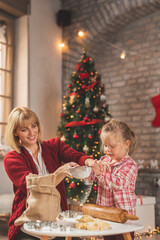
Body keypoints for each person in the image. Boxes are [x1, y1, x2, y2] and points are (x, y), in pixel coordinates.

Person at [4, 107, 94, 240]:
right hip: (29, 221)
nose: (31, 132)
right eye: (24, 129)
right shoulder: (12, 158)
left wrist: (89, 161)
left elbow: (74, 155)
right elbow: (32, 185)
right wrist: (58, 175)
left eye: (34, 126)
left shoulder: (54, 146)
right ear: (15, 132)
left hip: (57, 218)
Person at [88, 119, 138, 240]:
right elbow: (93, 177)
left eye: (112, 146)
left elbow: (118, 183)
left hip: (123, 218)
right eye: (105, 145)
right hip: (106, 216)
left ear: (126, 144)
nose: (107, 149)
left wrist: (101, 173)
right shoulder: (104, 161)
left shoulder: (130, 165)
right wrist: (89, 171)